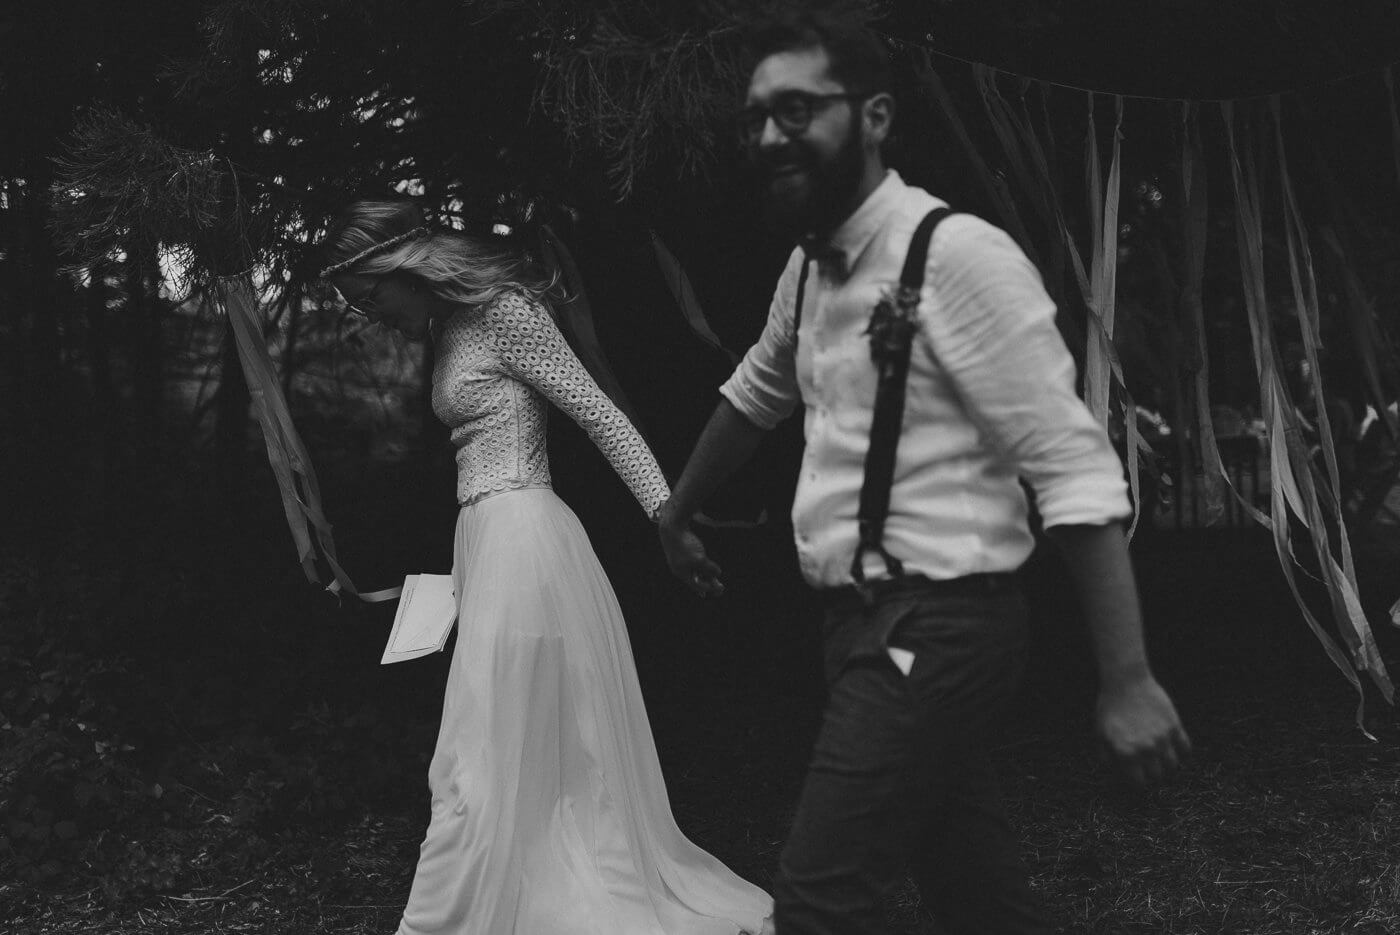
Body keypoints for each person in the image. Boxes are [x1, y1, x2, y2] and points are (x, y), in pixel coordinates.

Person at [657, 11, 1192, 935]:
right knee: (977, 895)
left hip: (943, 624)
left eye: (796, 109)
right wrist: (678, 510)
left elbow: (1072, 471)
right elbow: (756, 393)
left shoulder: (959, 259)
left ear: (873, 115)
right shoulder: (809, 270)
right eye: (754, 118)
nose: (770, 136)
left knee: (820, 899)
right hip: (856, 623)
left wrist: (1129, 676)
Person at [319, 199, 773, 935]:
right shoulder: (446, 326)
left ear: (406, 268)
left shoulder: (506, 310)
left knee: (487, 746)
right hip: (485, 545)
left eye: (372, 297)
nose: (373, 315)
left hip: (528, 542)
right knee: (498, 740)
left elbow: (600, 414)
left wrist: (670, 519)